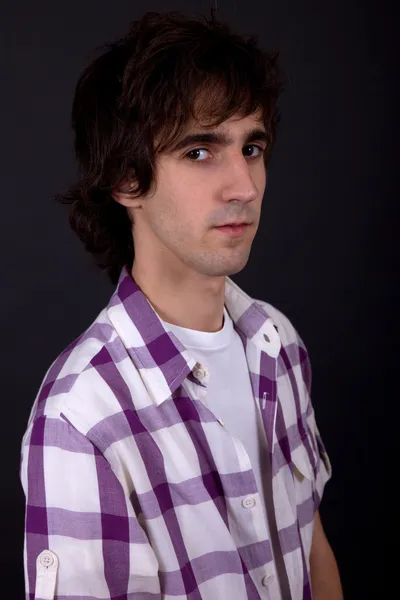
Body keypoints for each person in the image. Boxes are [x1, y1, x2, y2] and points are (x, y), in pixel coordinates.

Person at [20, 10, 343, 600]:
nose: (243, 185)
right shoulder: (83, 417)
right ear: (126, 179)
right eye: (200, 151)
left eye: (252, 147)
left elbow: (312, 548)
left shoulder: (279, 345)